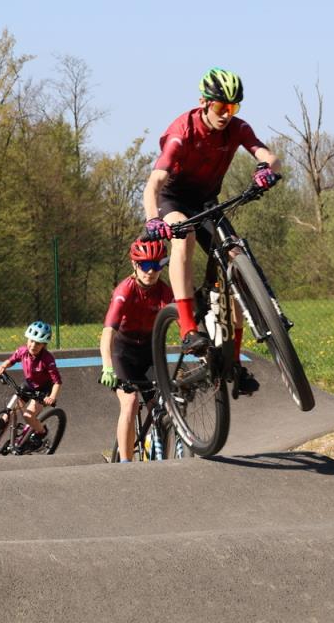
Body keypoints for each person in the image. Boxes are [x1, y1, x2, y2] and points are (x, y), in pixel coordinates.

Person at [141, 67, 281, 395]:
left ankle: (235, 363)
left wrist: (266, 170)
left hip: (206, 202)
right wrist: (152, 220)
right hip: (173, 200)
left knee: (236, 261)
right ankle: (188, 327)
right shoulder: (182, 132)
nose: (226, 114)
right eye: (221, 107)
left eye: (233, 107)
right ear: (204, 102)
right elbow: (154, 184)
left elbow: (268, 155)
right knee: (184, 236)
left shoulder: (237, 129)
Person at [98, 238, 175, 462]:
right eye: (145, 265)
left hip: (149, 353)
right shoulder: (124, 290)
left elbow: (182, 322)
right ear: (134, 264)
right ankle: (125, 463)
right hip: (123, 353)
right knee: (130, 402)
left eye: (156, 265)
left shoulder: (164, 291)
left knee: (162, 409)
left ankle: (161, 459)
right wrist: (107, 367)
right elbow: (108, 333)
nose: (150, 271)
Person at [0, 321, 63, 451]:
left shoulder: (47, 359)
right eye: (31, 341)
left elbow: (57, 381)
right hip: (29, 385)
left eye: (38, 343)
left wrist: (52, 397)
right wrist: (2, 366)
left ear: (44, 345)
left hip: (43, 390)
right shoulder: (22, 351)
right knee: (8, 413)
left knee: (28, 416)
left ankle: (41, 433)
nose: (33, 345)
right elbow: (11, 360)